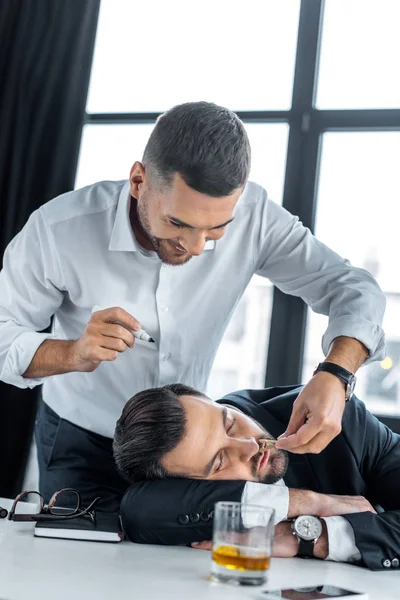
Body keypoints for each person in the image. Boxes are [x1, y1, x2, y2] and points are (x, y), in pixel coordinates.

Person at [0, 102, 385, 510]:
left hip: (194, 460)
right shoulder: (58, 229)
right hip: (83, 441)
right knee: (78, 565)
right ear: (138, 180)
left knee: (182, 567)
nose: (197, 247)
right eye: (177, 224)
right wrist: (72, 352)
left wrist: (337, 373)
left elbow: (353, 286)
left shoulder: (255, 217)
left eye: (216, 229)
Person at [114, 383, 400, 571]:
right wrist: (306, 502)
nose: (250, 446)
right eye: (219, 462)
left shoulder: (337, 422)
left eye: (230, 422)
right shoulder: (170, 490)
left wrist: (309, 537)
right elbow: (138, 511)